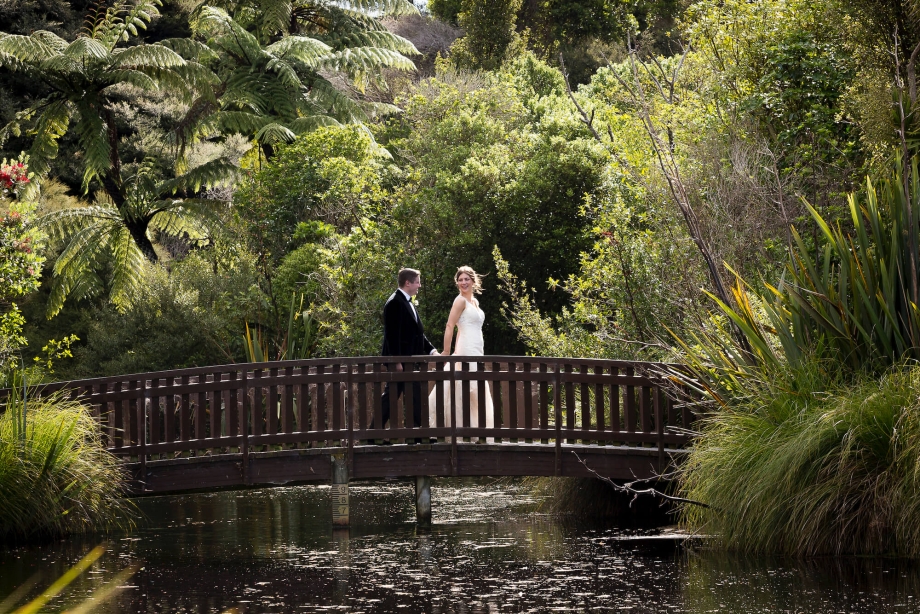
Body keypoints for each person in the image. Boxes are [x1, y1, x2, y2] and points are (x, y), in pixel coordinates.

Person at [428, 266, 495, 441]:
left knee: (475, 389)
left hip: (476, 349)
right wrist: (447, 352)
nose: (463, 282)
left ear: (473, 281)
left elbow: (461, 329)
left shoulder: (475, 302)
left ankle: (475, 431)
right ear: (457, 283)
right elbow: (450, 325)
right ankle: (457, 432)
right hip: (466, 349)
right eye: (460, 279)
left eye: (466, 279)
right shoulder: (459, 301)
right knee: (465, 387)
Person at [372, 268, 438, 440]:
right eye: (417, 282)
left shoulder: (406, 302)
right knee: (392, 396)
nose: (419, 286)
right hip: (401, 362)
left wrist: (432, 350)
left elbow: (417, 333)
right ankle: (375, 433)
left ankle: (418, 433)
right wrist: (397, 361)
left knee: (414, 394)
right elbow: (392, 336)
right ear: (407, 283)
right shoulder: (394, 303)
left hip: (410, 361)